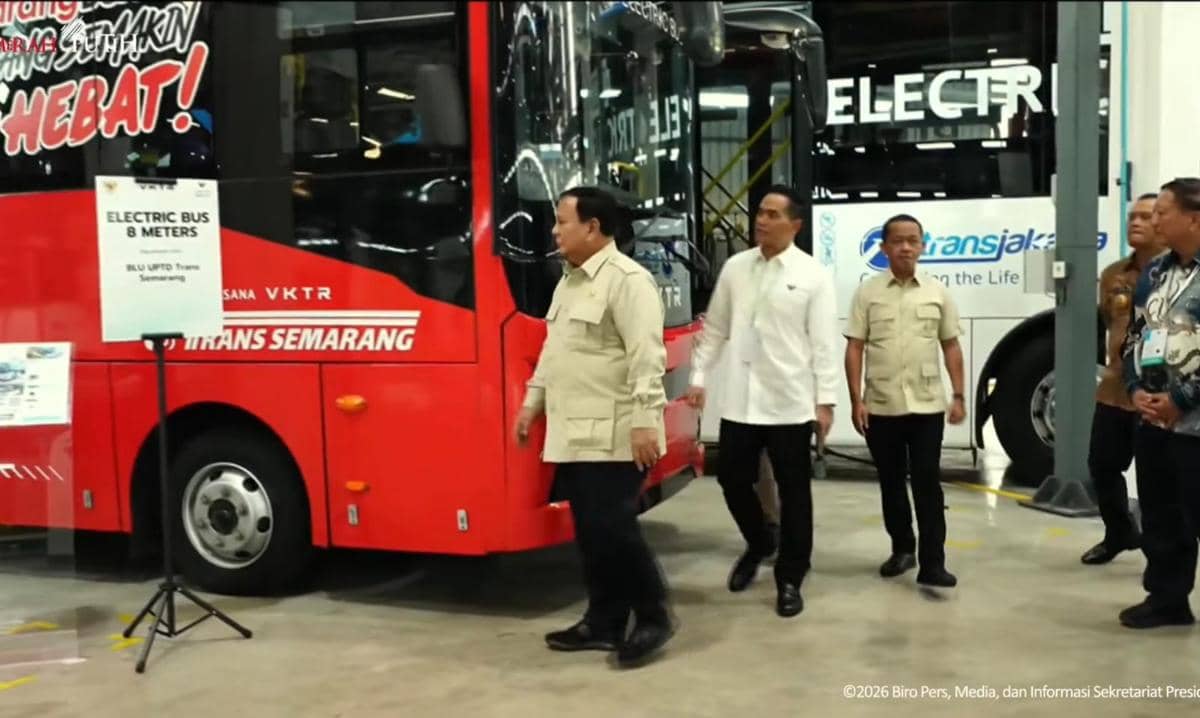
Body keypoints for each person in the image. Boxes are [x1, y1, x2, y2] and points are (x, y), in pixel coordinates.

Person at [514, 186, 673, 664]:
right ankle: (602, 621)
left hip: (618, 432)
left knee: (615, 528)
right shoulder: (570, 281)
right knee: (591, 532)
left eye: (562, 222)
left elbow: (648, 356)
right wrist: (532, 403)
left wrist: (646, 421)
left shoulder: (628, 281)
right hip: (575, 431)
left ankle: (653, 617)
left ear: (593, 228)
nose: (554, 230)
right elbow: (553, 351)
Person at [686, 185, 839, 618]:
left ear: (796, 225)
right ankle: (759, 541)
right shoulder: (736, 268)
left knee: (794, 492)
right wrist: (699, 377)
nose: (762, 221)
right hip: (740, 400)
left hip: (789, 401)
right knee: (732, 479)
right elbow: (715, 329)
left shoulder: (813, 276)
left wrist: (824, 402)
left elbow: (824, 344)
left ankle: (790, 576)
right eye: (759, 213)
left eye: (773, 214)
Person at [843, 213, 965, 588]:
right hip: (881, 405)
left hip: (927, 406)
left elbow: (951, 346)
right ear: (884, 248)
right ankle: (902, 549)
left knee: (928, 483)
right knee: (892, 483)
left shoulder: (937, 292)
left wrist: (958, 395)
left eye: (913, 240)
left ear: (922, 245)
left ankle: (933, 563)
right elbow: (855, 348)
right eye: (898, 240)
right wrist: (855, 400)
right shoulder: (867, 292)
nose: (906, 247)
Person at [1119, 177, 1200, 629]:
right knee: (1162, 515)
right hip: (1154, 418)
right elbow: (1135, 335)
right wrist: (1134, 389)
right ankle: (1168, 599)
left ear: (1193, 218)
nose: (1153, 220)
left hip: (1194, 421)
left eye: (1162, 212)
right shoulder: (1154, 272)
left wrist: (1182, 399)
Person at [1080, 193, 1164, 565]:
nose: (1136, 223)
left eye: (1146, 217)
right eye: (1132, 216)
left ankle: (1161, 552)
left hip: (1159, 394)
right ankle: (1119, 532)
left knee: (1157, 480)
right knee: (1101, 464)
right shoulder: (1114, 274)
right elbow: (1108, 323)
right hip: (1115, 389)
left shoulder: (1181, 273)